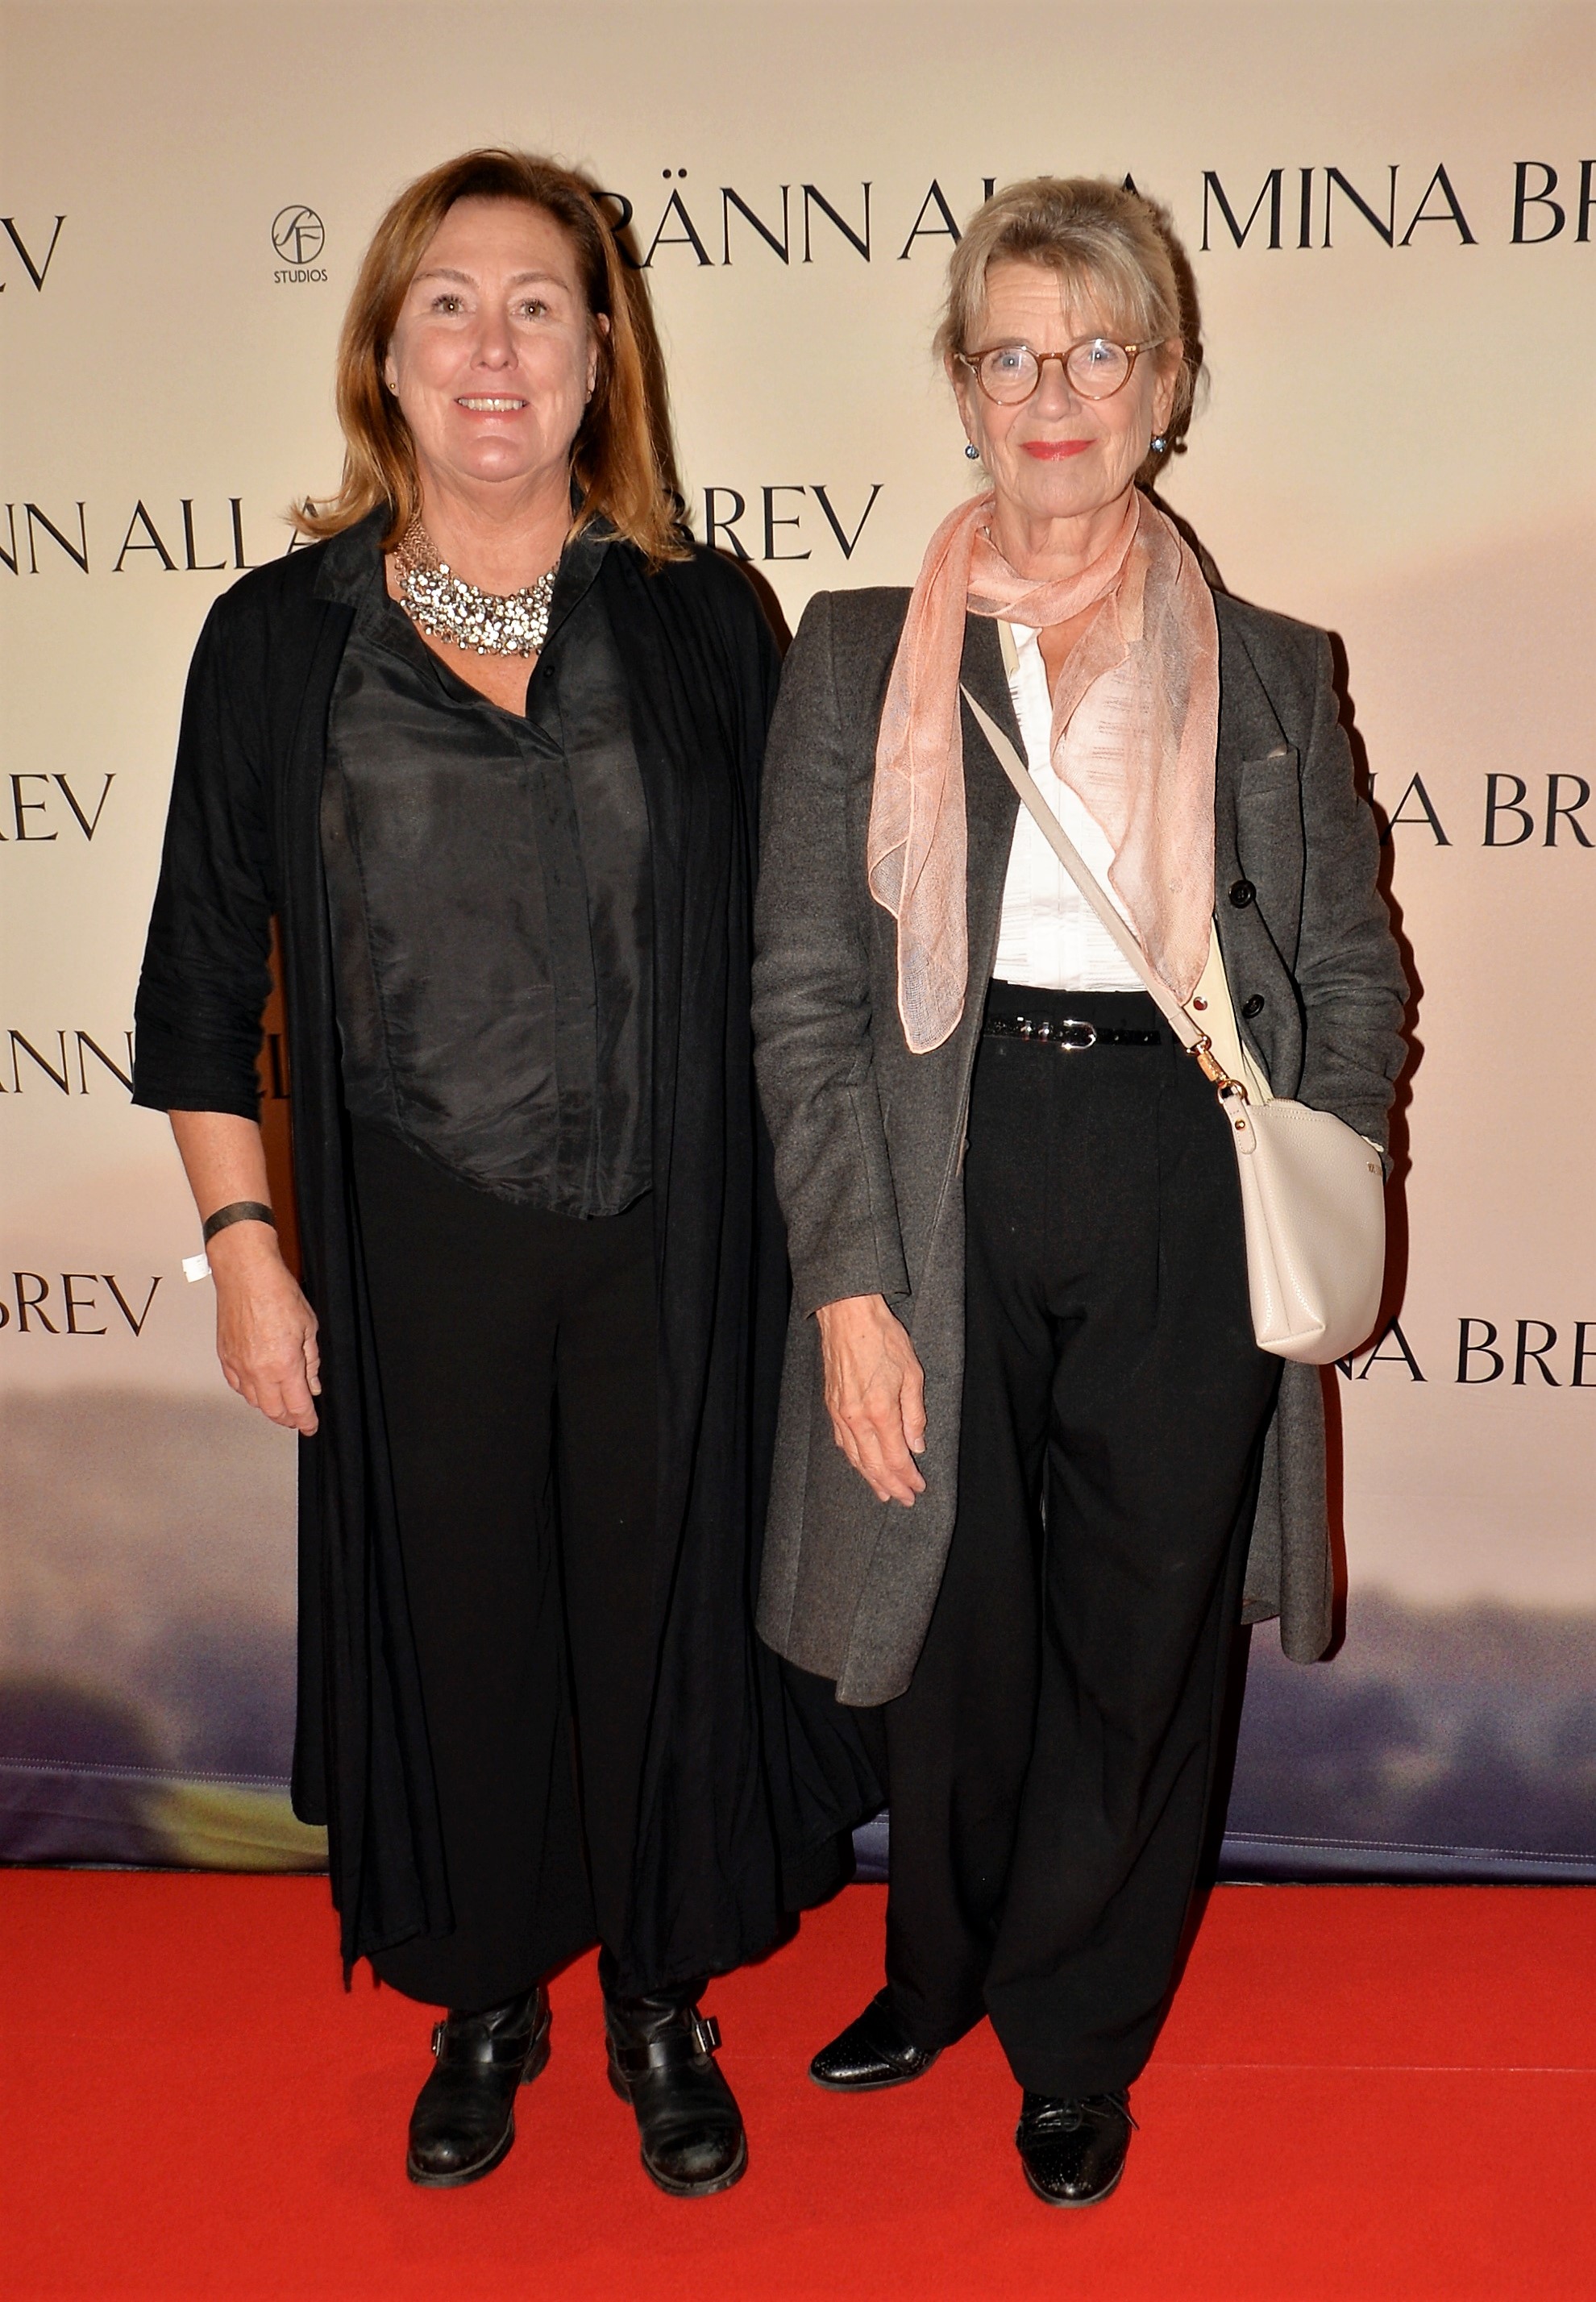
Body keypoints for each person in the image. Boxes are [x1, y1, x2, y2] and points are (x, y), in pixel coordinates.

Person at [132, 148, 868, 2201]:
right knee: (458, 1629)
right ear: (382, 352)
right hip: (411, 1249)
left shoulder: (706, 622)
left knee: (661, 1623)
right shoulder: (277, 640)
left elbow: (803, 963)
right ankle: (482, 1999)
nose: (492, 348)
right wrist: (245, 1250)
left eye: (538, 305)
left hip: (672, 1241)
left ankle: (657, 1996)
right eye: (447, 303)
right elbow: (198, 985)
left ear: (601, 355)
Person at [751, 177, 1407, 2208]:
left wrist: (1323, 1153)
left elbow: (1354, 967)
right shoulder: (855, 653)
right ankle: (937, 1965)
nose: (1056, 395)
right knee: (953, 1606)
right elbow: (802, 989)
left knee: (1142, 1630)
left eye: (1098, 351)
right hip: (944, 1162)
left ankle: (1079, 2028)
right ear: (961, 388)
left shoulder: (1270, 668)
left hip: (1180, 1169)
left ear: (1168, 385)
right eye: (1013, 354)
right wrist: (848, 1278)